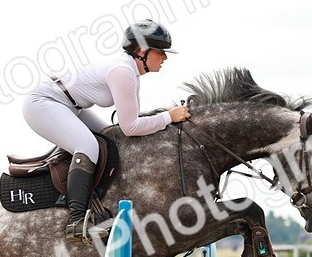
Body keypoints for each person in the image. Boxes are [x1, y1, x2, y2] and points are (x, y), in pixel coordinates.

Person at [22, 19, 190, 241]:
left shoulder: (130, 71)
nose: (165, 57)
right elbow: (130, 127)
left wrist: (166, 116)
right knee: (88, 145)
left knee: (109, 140)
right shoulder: (123, 72)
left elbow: (127, 126)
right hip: (43, 103)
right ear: (141, 51)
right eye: (160, 51)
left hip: (69, 105)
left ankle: (98, 204)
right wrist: (169, 116)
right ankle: (77, 221)